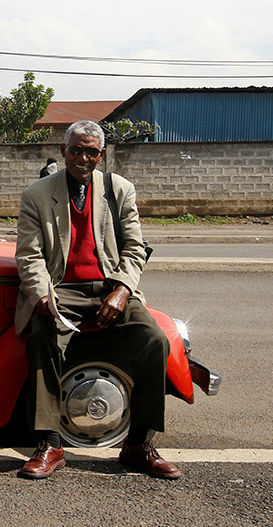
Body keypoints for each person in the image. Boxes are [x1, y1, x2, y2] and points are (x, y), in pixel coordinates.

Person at [14, 120, 179, 480]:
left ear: (101, 155)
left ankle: (138, 444)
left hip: (110, 287)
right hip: (61, 289)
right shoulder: (37, 194)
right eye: (76, 149)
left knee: (154, 342)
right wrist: (42, 297)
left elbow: (136, 250)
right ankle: (50, 444)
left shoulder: (120, 190)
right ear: (64, 151)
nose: (83, 157)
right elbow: (29, 256)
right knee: (42, 337)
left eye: (91, 151)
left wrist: (121, 291)